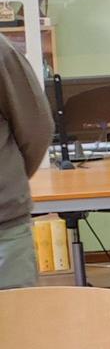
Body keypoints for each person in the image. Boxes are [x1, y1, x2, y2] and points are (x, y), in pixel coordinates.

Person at [0, 37, 55, 290]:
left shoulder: (2, 52)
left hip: (3, 230)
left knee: (14, 326)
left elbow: (36, 129)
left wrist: (9, 179)